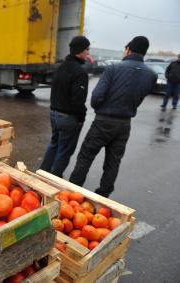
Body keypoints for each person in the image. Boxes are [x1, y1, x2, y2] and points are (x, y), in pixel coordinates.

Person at [69, 36, 157, 198]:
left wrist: (102, 109)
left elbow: (96, 98)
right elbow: (139, 97)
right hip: (124, 124)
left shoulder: (113, 69)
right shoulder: (151, 75)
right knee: (113, 162)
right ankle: (103, 195)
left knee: (86, 156)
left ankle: (74, 193)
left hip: (103, 121)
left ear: (129, 50)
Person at [40, 36, 91, 178]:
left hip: (54, 114)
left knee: (54, 144)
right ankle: (54, 179)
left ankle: (41, 174)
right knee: (64, 150)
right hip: (68, 118)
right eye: (87, 49)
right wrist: (81, 118)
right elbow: (78, 101)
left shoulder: (59, 67)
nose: (88, 52)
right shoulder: (79, 72)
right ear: (80, 51)